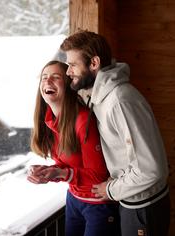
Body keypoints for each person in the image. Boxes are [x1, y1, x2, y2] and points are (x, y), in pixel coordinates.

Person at [60, 30, 170, 236]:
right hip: (131, 199)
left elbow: (151, 169)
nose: (68, 72)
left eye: (72, 65)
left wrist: (110, 190)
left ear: (94, 63)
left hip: (143, 205)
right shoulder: (101, 97)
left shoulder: (120, 100)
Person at [27, 60, 121, 236]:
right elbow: (70, 166)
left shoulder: (83, 120)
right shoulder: (49, 120)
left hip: (99, 206)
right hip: (74, 199)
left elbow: (98, 175)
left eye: (56, 77)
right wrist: (48, 171)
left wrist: (60, 174)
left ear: (69, 84)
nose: (48, 82)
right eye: (44, 77)